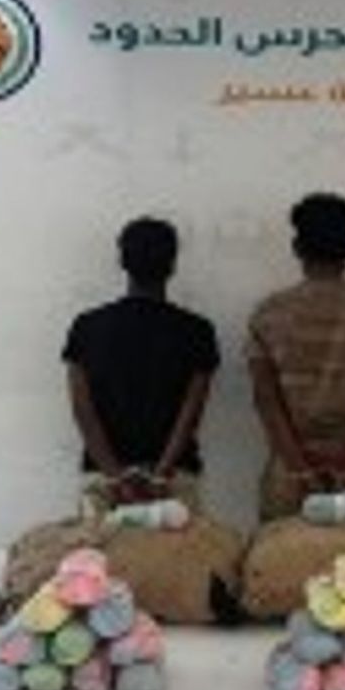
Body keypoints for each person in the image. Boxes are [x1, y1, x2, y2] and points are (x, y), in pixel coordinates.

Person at [246, 193, 345, 521]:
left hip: (289, 474)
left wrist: (300, 470)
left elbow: (267, 402)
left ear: (297, 248)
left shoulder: (269, 314)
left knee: (285, 554)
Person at [62, 217, 219, 514]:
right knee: (184, 546)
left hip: (103, 481)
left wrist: (116, 477)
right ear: (172, 265)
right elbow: (190, 414)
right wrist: (160, 474)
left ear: (122, 262)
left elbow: (83, 411)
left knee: (99, 546)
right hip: (174, 479)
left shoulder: (86, 327)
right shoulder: (198, 331)